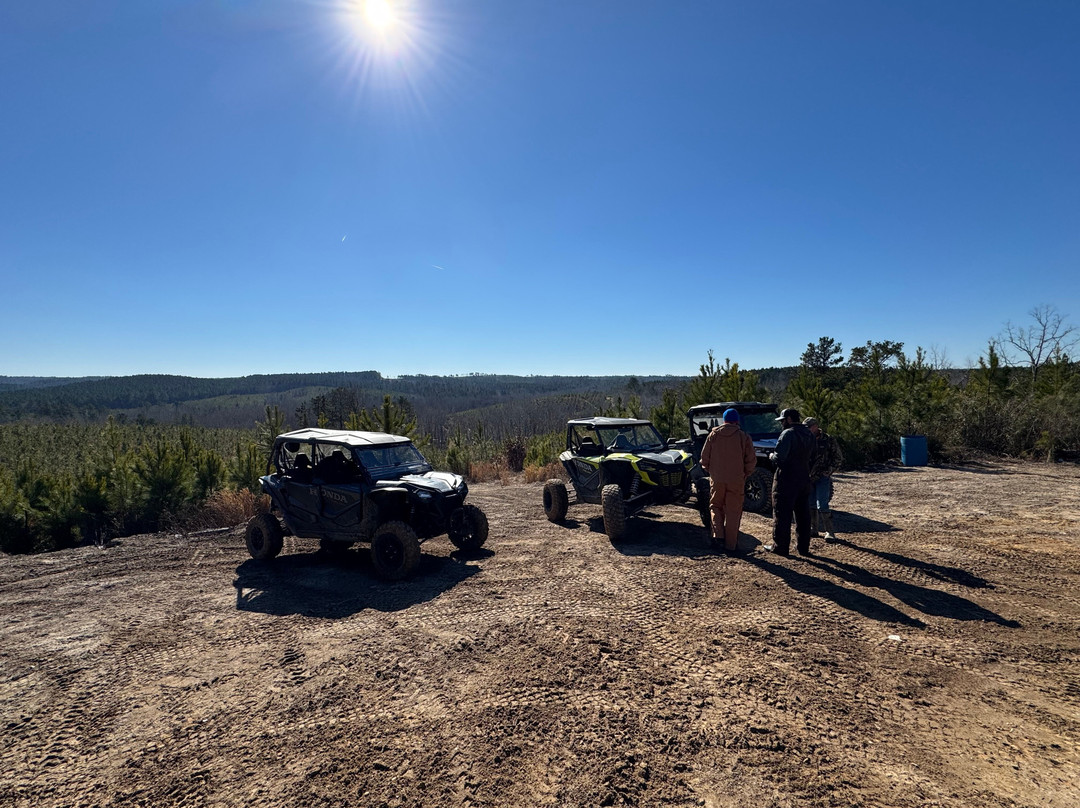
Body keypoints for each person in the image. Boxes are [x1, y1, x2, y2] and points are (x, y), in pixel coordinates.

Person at [699, 408, 756, 554]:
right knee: (733, 511)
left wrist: (711, 471)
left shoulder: (714, 435)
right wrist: (745, 474)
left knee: (715, 506)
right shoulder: (743, 437)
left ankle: (717, 537)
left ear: (724, 420)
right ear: (737, 421)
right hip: (736, 480)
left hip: (717, 479)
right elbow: (751, 460)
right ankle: (731, 545)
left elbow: (704, 458)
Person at [764, 407, 817, 557]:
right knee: (803, 515)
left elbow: (779, 459)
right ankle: (803, 548)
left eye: (782, 421)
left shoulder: (787, 434)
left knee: (782, 514)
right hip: (804, 479)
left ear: (788, 419)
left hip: (786, 480)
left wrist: (771, 456)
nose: (781, 424)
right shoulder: (809, 434)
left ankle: (780, 547)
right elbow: (814, 457)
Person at [804, 416, 843, 542]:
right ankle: (813, 529)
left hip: (822, 476)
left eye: (809, 427)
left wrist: (829, 471)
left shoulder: (828, 439)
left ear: (815, 426)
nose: (807, 429)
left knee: (822, 504)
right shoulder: (805, 439)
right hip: (809, 477)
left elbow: (838, 457)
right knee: (810, 504)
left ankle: (829, 531)